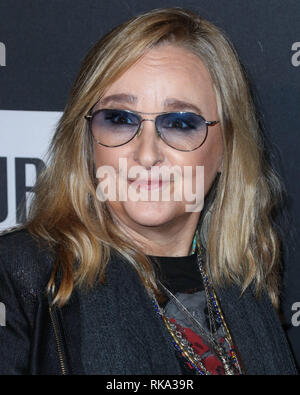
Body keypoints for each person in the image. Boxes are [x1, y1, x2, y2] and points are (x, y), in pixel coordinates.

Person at [0, 7, 297, 375]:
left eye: (180, 123)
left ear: (227, 149)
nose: (146, 153)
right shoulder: (20, 276)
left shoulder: (245, 282)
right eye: (120, 118)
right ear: (88, 139)